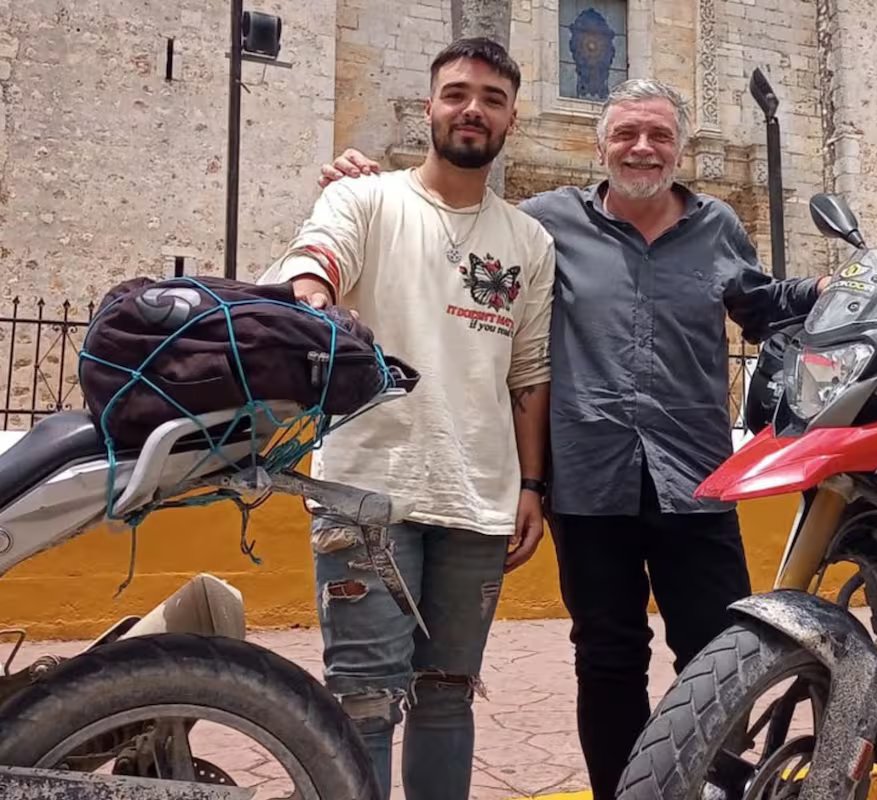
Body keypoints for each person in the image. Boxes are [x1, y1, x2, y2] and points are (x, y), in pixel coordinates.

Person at [318, 78, 830, 800]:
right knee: (608, 658)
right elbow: (458, 227)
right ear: (601, 146)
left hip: (698, 479)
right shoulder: (547, 221)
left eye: (658, 135)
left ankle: (711, 787)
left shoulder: (718, 226)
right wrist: (364, 187)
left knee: (724, 655)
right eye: (626, 134)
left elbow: (760, 306)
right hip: (590, 481)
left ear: (680, 148)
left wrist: (835, 290)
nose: (642, 148)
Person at [258, 38, 555, 800]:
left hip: (479, 502)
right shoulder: (364, 198)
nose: (472, 109)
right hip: (367, 494)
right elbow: (315, 259)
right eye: (457, 93)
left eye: (491, 98)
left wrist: (531, 485)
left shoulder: (529, 241)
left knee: (449, 698)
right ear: (430, 106)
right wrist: (314, 297)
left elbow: (529, 374)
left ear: (510, 118)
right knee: (362, 701)